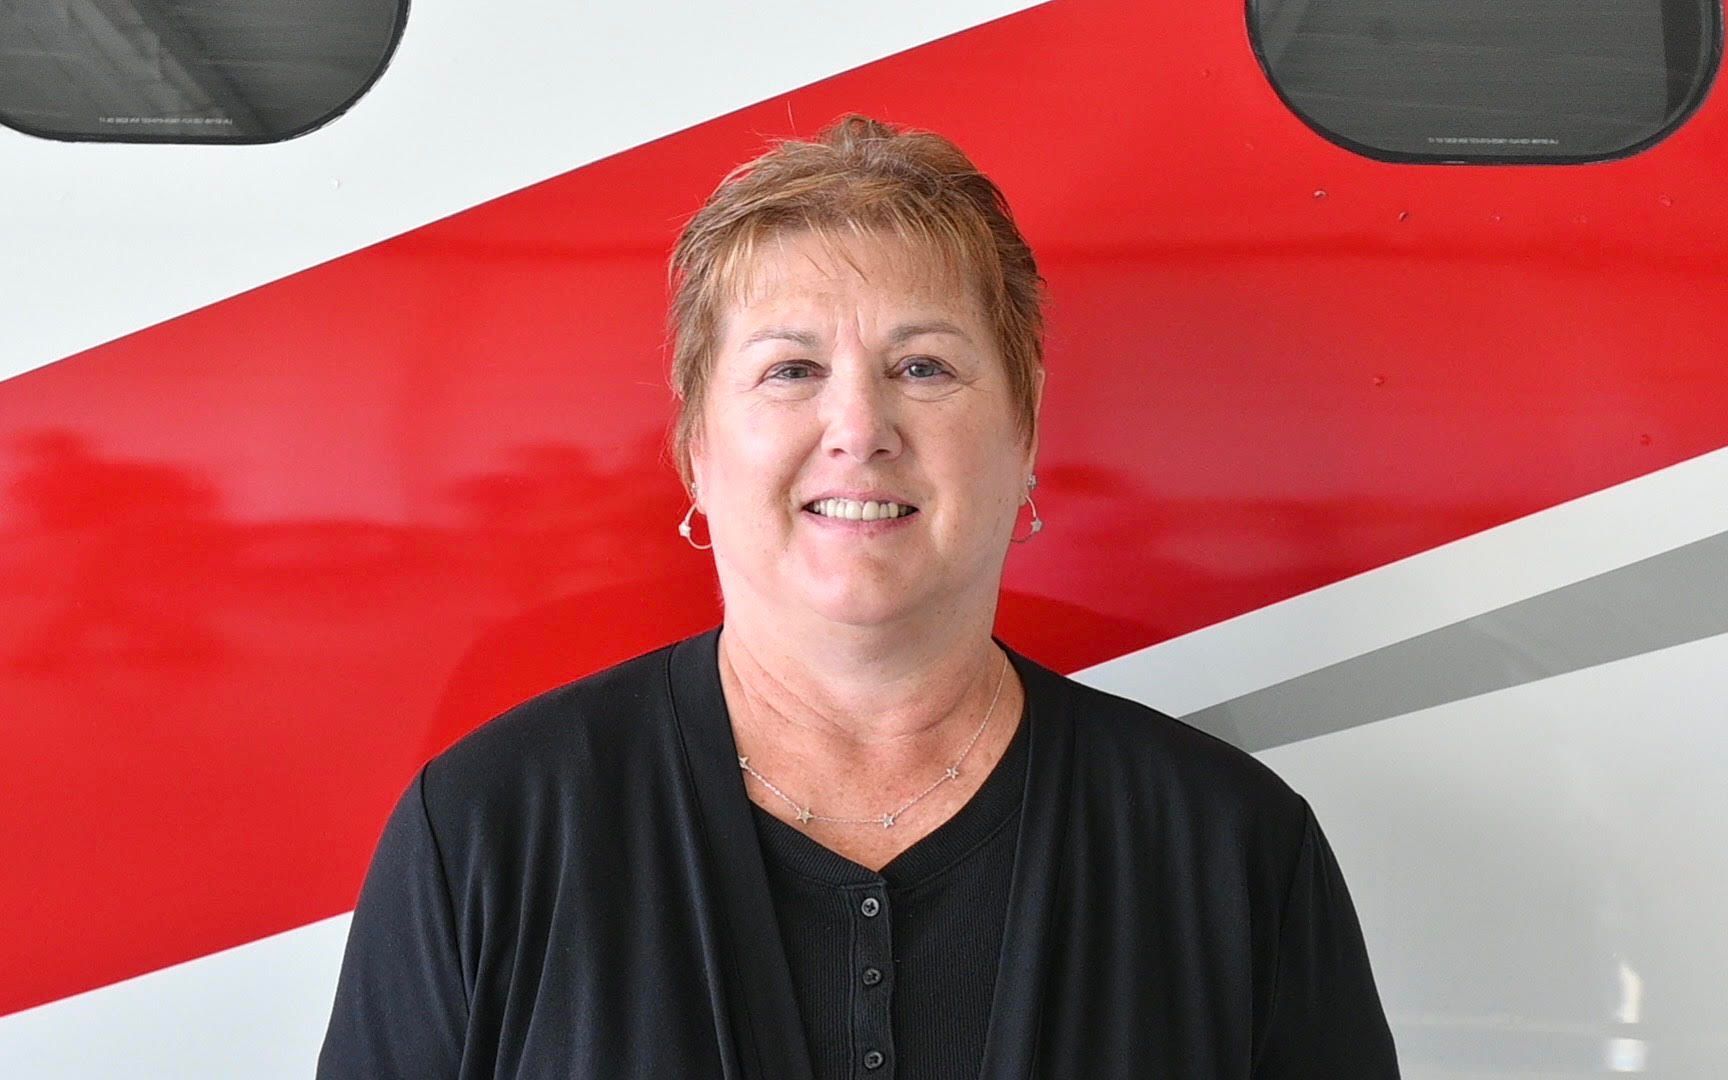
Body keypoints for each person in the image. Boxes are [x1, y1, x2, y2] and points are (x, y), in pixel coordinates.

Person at [316, 114, 1400, 1078]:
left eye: (923, 367)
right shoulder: (487, 832)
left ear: (1023, 435)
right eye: (790, 371)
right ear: (697, 449)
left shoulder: (1230, 847)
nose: (859, 429)